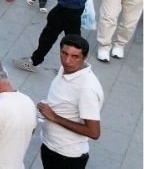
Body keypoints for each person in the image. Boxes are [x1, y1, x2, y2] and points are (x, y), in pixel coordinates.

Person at [34, 35, 102, 168]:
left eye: (75, 56)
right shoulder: (65, 69)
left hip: (67, 156)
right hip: (51, 146)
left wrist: (54, 117)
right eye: (64, 53)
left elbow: (94, 132)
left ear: (84, 58)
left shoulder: (87, 89)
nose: (67, 60)